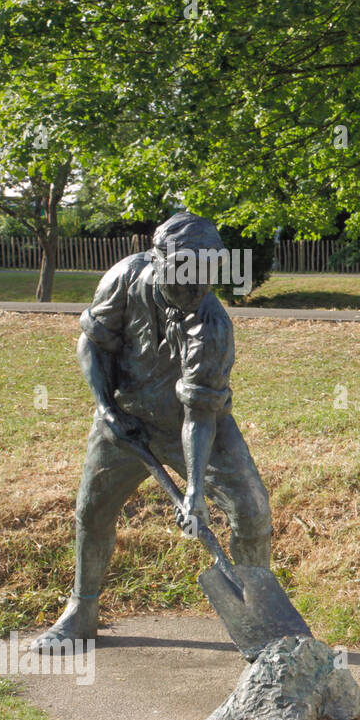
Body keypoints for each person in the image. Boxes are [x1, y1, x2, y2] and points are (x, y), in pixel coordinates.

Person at [31, 211, 272, 650]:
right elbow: (93, 343)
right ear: (160, 263)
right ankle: (81, 611)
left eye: (205, 279)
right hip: (122, 415)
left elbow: (198, 415)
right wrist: (106, 410)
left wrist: (195, 492)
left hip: (195, 424)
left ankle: (259, 621)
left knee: (252, 510)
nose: (196, 290)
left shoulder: (212, 325)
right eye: (186, 278)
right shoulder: (125, 277)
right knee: (93, 509)